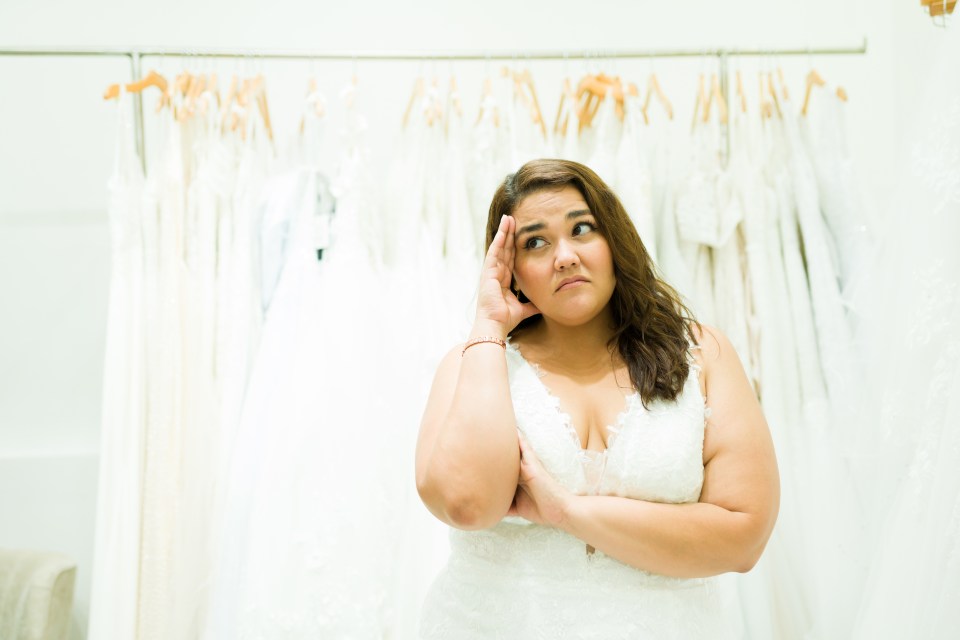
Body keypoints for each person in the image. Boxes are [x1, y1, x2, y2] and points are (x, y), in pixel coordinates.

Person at [415, 159, 779, 639]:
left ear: (614, 242)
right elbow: (468, 505)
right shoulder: (471, 364)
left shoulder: (702, 354)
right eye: (535, 242)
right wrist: (488, 326)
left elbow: (743, 539)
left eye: (582, 229)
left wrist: (566, 511)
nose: (563, 255)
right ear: (512, 272)